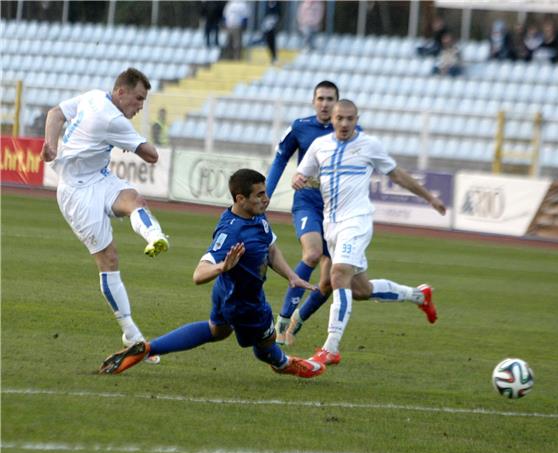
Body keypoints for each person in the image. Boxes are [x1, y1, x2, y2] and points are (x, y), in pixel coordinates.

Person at [99, 169, 326, 379]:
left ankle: (149, 348)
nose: (266, 199)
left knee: (216, 330)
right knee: (266, 345)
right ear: (240, 199)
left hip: (227, 293)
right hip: (245, 302)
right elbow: (199, 274)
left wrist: (291, 276)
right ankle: (285, 363)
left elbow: (271, 248)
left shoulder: (255, 215)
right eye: (259, 194)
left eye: (265, 193)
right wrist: (220, 267)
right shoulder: (232, 232)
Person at [292, 100, 447, 366]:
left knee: (337, 274)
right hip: (332, 225)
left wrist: (429, 198)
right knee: (361, 290)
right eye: (339, 118)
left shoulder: (369, 145)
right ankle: (419, 295)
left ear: (356, 120)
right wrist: (298, 179)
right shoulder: (319, 146)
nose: (343, 124)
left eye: (349, 119)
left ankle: (331, 346)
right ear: (333, 120)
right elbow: (302, 174)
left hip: (358, 221)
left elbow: (397, 174)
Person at [41, 67, 169, 364]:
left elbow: (55, 113)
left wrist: (51, 145)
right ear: (120, 92)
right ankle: (131, 333)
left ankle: (156, 237)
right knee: (108, 259)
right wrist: (131, 142)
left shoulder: (93, 96)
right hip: (76, 193)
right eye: (138, 99)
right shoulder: (111, 117)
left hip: (99, 177)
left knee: (135, 199)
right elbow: (152, 155)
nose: (139, 106)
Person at [266, 81, 342, 346]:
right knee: (311, 253)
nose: (324, 103)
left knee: (329, 280)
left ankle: (297, 321)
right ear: (313, 101)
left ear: (337, 103)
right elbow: (280, 159)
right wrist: (266, 194)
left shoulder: (350, 133)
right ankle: (283, 320)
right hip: (307, 201)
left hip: (337, 208)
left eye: (330, 99)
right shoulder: (300, 127)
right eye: (320, 98)